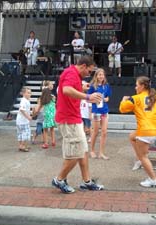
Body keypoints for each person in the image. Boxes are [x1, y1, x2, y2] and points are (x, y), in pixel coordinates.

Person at [52, 55, 104, 193]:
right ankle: (59, 179)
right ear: (83, 66)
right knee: (75, 153)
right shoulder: (71, 73)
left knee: (82, 151)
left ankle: (87, 181)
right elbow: (66, 90)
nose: (89, 74)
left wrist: (82, 87)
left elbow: (70, 86)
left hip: (73, 119)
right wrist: (88, 96)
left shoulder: (73, 74)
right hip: (69, 120)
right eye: (89, 71)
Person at [119, 76, 156, 188]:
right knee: (132, 136)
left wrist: (123, 100)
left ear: (142, 86)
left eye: (137, 85)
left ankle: (153, 179)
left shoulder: (136, 98)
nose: (135, 87)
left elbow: (122, 109)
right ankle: (139, 159)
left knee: (144, 157)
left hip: (145, 131)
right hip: (154, 130)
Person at [88, 68, 111, 160]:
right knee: (96, 132)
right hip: (96, 110)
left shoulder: (106, 86)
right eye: (99, 75)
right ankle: (92, 150)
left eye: (102, 75)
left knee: (104, 132)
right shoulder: (93, 86)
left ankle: (101, 152)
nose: (101, 76)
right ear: (96, 76)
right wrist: (95, 100)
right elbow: (88, 98)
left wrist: (106, 99)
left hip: (104, 111)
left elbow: (108, 97)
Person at [16, 87, 32, 152]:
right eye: (28, 93)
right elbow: (22, 110)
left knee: (20, 133)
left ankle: (21, 145)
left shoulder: (25, 100)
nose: (30, 94)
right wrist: (28, 117)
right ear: (23, 93)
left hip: (20, 121)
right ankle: (22, 145)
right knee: (26, 133)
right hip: (23, 121)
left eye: (30, 93)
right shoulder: (24, 101)